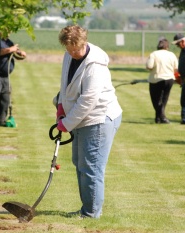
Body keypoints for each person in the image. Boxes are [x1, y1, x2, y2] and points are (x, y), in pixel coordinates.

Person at [55, 25, 122, 218]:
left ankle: (91, 213)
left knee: (91, 167)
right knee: (79, 162)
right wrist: (61, 106)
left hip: (99, 118)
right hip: (81, 119)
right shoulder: (68, 54)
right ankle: (87, 208)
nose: (73, 54)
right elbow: (64, 83)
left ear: (84, 43)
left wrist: (66, 123)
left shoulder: (95, 65)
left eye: (76, 50)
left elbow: (87, 102)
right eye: (69, 50)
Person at [146, 38, 178, 124]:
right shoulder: (172, 54)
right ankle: (158, 118)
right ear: (167, 47)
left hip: (156, 79)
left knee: (155, 100)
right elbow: (176, 68)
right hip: (169, 79)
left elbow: (149, 66)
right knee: (164, 99)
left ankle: (162, 117)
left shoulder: (154, 54)